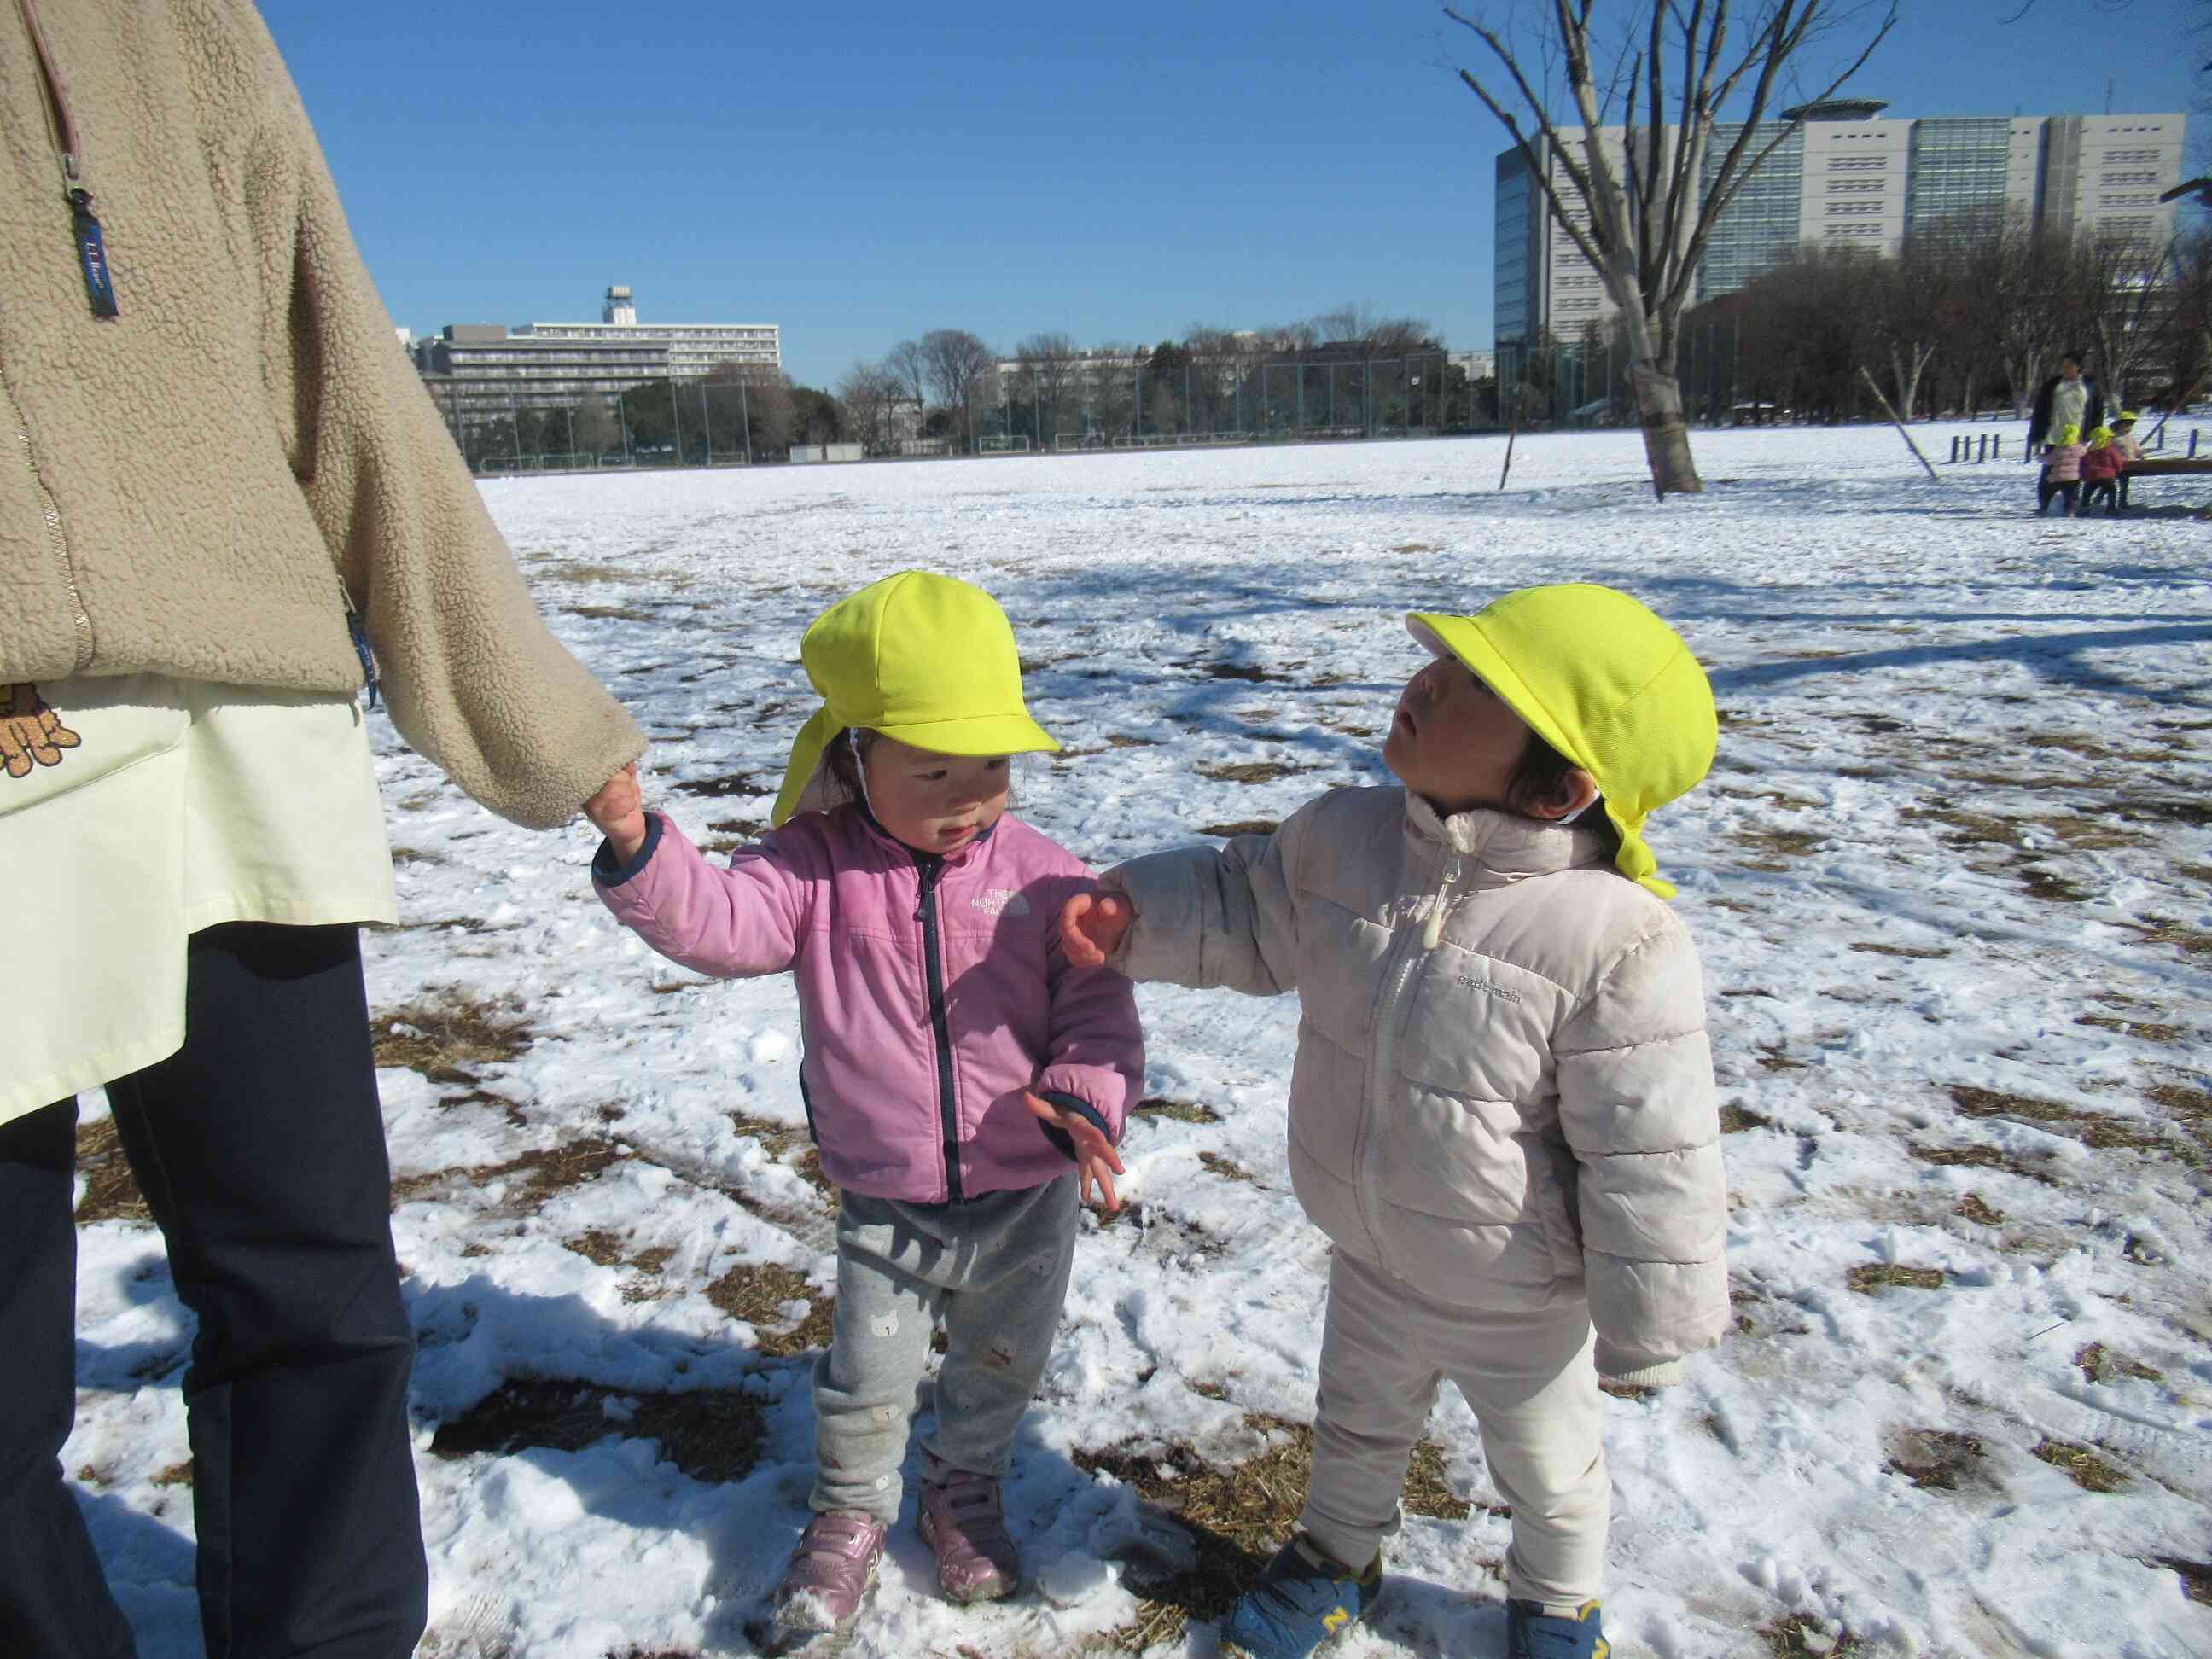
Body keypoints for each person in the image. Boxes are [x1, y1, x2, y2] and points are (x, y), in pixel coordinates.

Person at [0, 3, 644, 1655]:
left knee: (321, 1309)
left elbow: (342, 365)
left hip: (244, 729)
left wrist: (542, 725)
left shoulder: (186, 22)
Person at [1060, 585, 1726, 1659]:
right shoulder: (1347, 841)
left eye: (1474, 689)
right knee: (1356, 1426)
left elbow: (1652, 1149)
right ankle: (1336, 1554)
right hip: (1370, 1248)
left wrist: (1650, 1322)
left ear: (1561, 786)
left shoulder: (1614, 942)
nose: (1427, 685)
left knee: (1549, 1468)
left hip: (1517, 1284)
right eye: (1444, 665)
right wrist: (1137, 913)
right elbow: (1248, 908)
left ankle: (1557, 1605)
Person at [582, 570, 1143, 1643]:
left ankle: (965, 1488)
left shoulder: (1040, 877)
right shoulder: (811, 868)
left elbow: (1100, 1012)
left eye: (991, 763)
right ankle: (848, 1515)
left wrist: (1084, 1098)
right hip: (889, 1196)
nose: (970, 793)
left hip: (1027, 1192)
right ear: (854, 755)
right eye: (933, 766)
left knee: (998, 1365)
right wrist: (637, 842)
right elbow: (723, 925)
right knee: (868, 1375)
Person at [2028, 354, 2102, 510]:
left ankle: (2072, 505)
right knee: (2050, 472)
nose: (2065, 368)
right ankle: (2044, 505)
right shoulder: (2053, 385)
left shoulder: (2090, 385)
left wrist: (2094, 433)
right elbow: (2040, 410)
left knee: (2074, 473)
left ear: (2079, 367)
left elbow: (2097, 411)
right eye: (2063, 365)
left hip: (2078, 437)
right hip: (2054, 435)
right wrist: (2036, 434)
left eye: (2069, 365)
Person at [2040, 424, 2087, 517]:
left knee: (2048, 492)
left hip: (2057, 477)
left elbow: (2049, 460)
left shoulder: (2059, 448)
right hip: (2072, 479)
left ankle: (2044, 507)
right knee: (2069, 496)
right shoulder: (2080, 449)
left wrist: (2042, 458)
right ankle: (2069, 511)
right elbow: (2085, 454)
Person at [2080, 426, 2124, 515]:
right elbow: (2117, 461)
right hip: (2108, 477)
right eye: (2110, 439)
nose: (2111, 440)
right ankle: (2111, 508)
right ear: (2105, 439)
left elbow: (2083, 464)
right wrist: (2119, 470)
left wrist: (2083, 475)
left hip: (2092, 477)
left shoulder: (2088, 451)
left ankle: (2084, 507)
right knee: (2112, 491)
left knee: (2087, 492)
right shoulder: (2110, 450)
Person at [2108, 410, 2144, 510]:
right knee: (2109, 484)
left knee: (2124, 485)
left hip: (2128, 464)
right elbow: (2109, 450)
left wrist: (2140, 454)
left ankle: (2122, 501)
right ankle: (2099, 499)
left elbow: (2136, 448)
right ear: (2119, 425)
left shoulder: (2130, 437)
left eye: (2130, 426)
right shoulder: (2114, 437)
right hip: (2115, 465)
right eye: (2125, 425)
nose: (2128, 428)